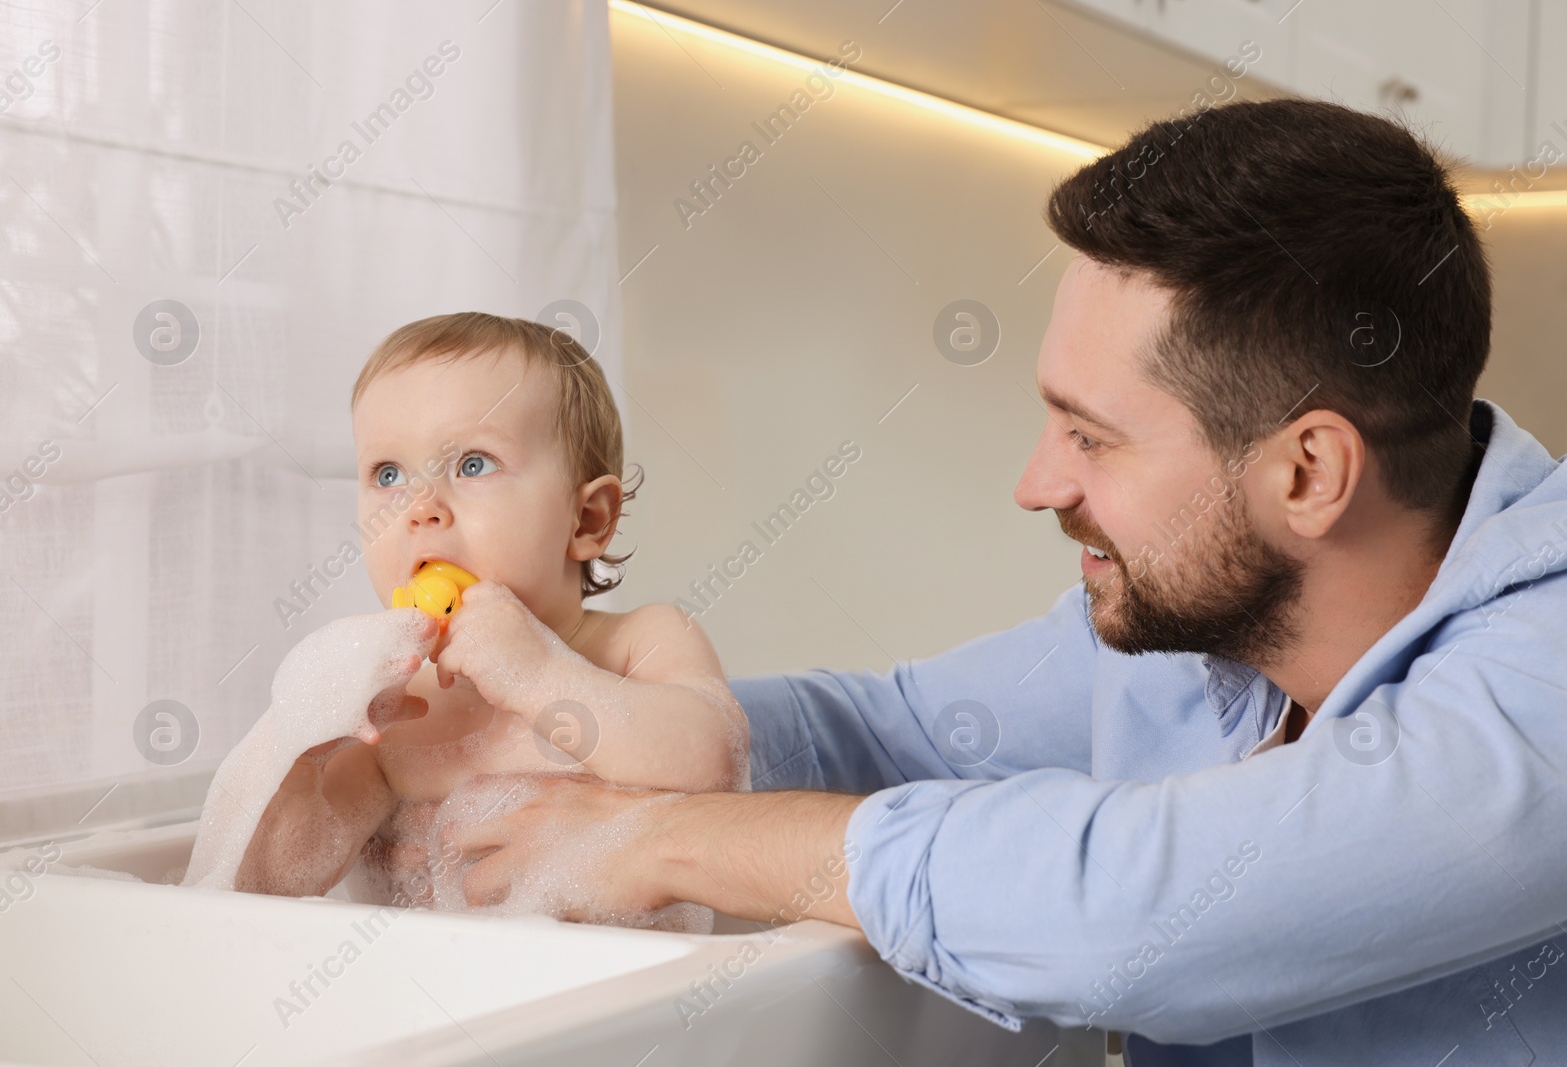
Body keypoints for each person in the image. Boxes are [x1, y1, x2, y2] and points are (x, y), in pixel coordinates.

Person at [413, 100, 1567, 1065]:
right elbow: (901, 728)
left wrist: (665, 837)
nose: (1034, 483)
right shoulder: (1206, 629)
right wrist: (579, 702)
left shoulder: (1544, 679)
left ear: (1307, 472)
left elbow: (1135, 913)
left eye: (1091, 437)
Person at [235, 313, 748, 921]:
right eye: (388, 474)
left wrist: (538, 674)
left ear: (586, 520)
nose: (420, 508)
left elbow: (713, 762)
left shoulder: (641, 644)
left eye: (472, 464)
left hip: (614, 998)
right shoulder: (396, 713)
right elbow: (272, 888)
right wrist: (301, 758)